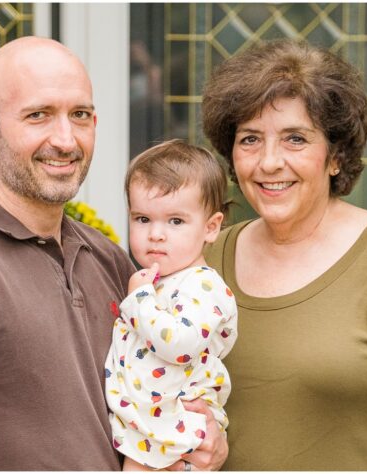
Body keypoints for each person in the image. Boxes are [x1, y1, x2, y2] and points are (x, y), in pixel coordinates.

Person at [0, 37, 227, 471]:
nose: (64, 139)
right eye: (38, 115)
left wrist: (207, 438)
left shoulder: (108, 258)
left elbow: (150, 397)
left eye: (79, 116)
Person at [200, 39, 367, 470]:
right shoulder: (206, 261)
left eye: (295, 139)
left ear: (335, 156)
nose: (269, 162)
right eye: (250, 139)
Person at [106, 140, 236, 471]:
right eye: (143, 219)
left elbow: (180, 345)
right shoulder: (157, 281)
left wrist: (138, 300)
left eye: (176, 221)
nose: (157, 234)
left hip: (175, 431)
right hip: (150, 430)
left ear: (211, 227)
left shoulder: (203, 286)